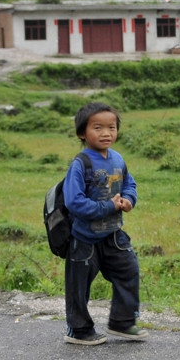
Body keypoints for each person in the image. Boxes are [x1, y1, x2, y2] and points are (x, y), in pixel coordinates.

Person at [63, 101, 144, 346]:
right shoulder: (80, 164)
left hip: (113, 235)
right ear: (82, 133)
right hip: (84, 238)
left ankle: (122, 321)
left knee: (129, 271)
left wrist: (129, 200)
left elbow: (129, 184)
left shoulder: (118, 159)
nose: (106, 133)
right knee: (79, 286)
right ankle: (79, 330)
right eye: (97, 128)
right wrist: (109, 206)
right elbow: (74, 202)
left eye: (111, 127)